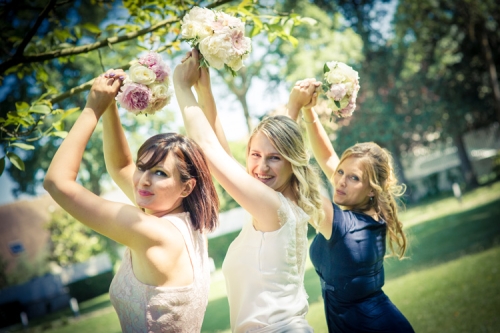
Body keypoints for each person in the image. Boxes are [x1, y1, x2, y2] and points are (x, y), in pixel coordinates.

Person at [44, 69, 219, 333]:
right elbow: (121, 166)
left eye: (160, 173)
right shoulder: (192, 224)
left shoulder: (151, 231)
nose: (143, 180)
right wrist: (109, 107)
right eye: (143, 167)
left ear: (187, 187)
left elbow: (57, 183)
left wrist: (92, 108)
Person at [173, 49, 330, 332]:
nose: (261, 167)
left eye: (274, 158)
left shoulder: (272, 207)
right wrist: (205, 91)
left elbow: (209, 149)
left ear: (291, 161)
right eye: (255, 155)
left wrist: (182, 87)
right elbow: (223, 151)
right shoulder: (283, 201)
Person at [287, 79, 415, 332]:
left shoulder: (343, 226)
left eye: (353, 178)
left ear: (371, 189)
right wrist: (309, 111)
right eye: (341, 172)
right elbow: (326, 157)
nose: (340, 181)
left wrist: (293, 108)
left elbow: (293, 183)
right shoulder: (372, 211)